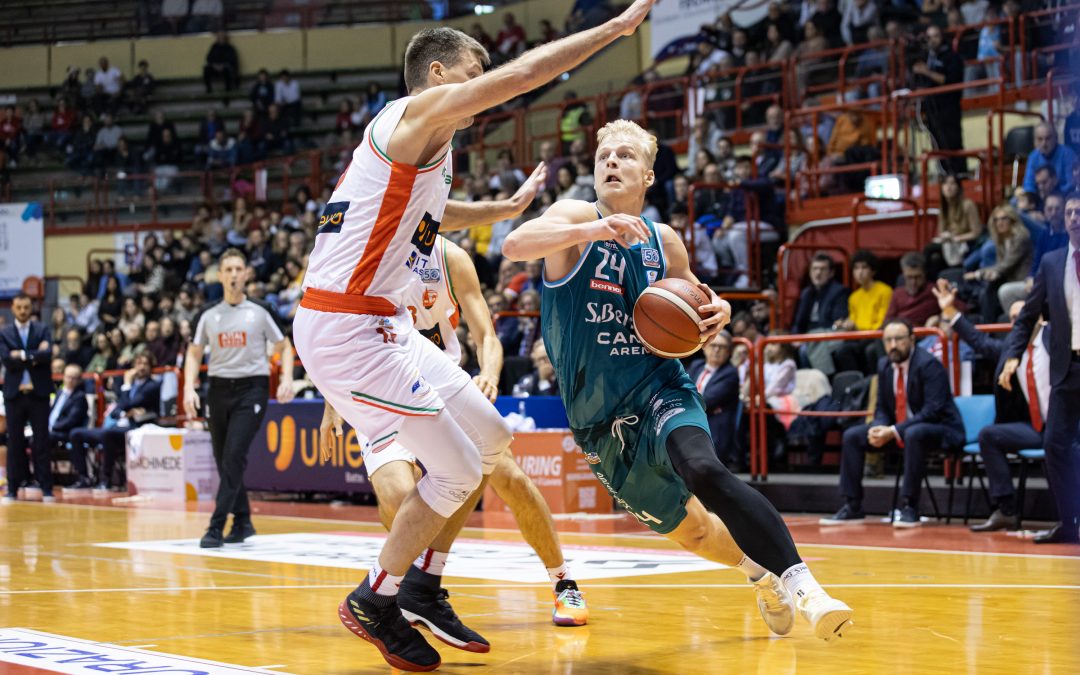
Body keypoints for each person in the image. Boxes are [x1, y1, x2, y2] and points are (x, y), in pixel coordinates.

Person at [291, 8, 664, 668]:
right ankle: (376, 597)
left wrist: (500, 211)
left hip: (383, 322)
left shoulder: (427, 150)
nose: (483, 79)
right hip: (348, 323)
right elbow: (524, 73)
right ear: (437, 76)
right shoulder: (417, 113)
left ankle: (425, 584)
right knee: (457, 467)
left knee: (490, 439)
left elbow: (434, 214)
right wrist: (614, 31)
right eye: (473, 70)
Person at [503, 120, 853, 642]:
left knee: (703, 469)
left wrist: (721, 310)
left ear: (647, 175)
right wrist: (593, 231)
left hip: (660, 386)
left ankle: (807, 589)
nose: (611, 162)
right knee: (690, 528)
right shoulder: (575, 219)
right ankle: (759, 575)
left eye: (624, 156)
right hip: (598, 418)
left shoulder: (663, 242)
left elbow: (699, 302)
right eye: (604, 156)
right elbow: (514, 243)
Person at [320, 234, 590, 648]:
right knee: (398, 496)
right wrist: (331, 401)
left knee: (511, 478)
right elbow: (334, 327)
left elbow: (486, 336)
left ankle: (562, 582)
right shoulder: (370, 246)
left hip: (441, 381)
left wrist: (489, 374)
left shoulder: (450, 257)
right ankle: (409, 588)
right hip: (382, 383)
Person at [183, 249, 295, 548]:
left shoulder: (261, 310)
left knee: (233, 456)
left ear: (246, 274)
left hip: (252, 390)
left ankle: (216, 526)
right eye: (228, 269)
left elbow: (284, 346)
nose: (233, 275)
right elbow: (193, 353)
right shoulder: (207, 314)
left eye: (238, 269)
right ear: (219, 275)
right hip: (218, 390)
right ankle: (243, 521)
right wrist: (188, 388)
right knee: (223, 461)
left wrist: (286, 379)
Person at [822, 318, 965, 527]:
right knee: (853, 436)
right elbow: (882, 407)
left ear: (912, 339)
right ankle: (852, 506)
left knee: (913, 433)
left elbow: (933, 411)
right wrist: (879, 427)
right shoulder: (884, 365)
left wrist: (894, 430)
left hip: (942, 429)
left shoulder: (929, 365)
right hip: (901, 429)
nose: (893, 345)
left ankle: (910, 507)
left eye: (899, 339)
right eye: (888, 340)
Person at [933, 281, 1048, 532]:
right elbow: (978, 340)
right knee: (989, 435)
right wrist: (950, 312)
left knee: (1059, 445)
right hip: (1031, 427)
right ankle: (1006, 510)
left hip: (1062, 425)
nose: (1020, 321)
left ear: (1039, 318)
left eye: (1024, 315)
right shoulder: (1009, 351)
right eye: (1014, 318)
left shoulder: (1056, 347)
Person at [998, 193, 1080, 544]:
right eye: (1069, 212)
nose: (1074, 217)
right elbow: (1028, 315)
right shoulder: (1051, 261)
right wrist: (1013, 354)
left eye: (1079, 211)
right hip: (1068, 367)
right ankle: (1068, 522)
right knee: (1055, 444)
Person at [69, 352, 161, 490]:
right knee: (76, 433)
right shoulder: (127, 385)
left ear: (150, 367)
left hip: (136, 429)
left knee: (108, 435)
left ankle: (105, 480)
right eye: (139, 363)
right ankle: (84, 478)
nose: (141, 367)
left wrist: (127, 386)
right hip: (117, 426)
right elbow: (117, 409)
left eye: (145, 364)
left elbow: (131, 402)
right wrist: (125, 412)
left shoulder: (152, 386)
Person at [1, 295, 54, 504]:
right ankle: (12, 488)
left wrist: (21, 355)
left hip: (38, 394)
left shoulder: (42, 329)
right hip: (14, 395)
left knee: (42, 441)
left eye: (26, 307)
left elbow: (47, 354)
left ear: (31, 308)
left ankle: (46, 488)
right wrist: (33, 356)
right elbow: (6, 359)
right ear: (13, 309)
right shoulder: (4, 333)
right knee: (14, 442)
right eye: (19, 307)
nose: (23, 310)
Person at [913, 25, 965, 175]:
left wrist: (926, 71)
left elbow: (949, 80)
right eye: (929, 37)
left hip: (949, 107)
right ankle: (944, 174)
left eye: (935, 36)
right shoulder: (926, 57)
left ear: (942, 37)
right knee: (937, 144)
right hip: (931, 108)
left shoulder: (952, 57)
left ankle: (959, 175)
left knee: (953, 143)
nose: (932, 40)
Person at [688, 332, 740, 464]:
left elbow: (707, 401)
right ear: (705, 347)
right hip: (692, 421)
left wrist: (683, 403)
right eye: (714, 345)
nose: (716, 350)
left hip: (714, 427)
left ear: (729, 352)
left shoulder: (730, 373)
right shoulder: (696, 365)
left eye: (722, 347)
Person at [48, 364, 90, 485]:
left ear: (79, 380)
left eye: (74, 377)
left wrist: (52, 427)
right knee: (34, 438)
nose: (70, 380)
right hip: (53, 430)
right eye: (68, 377)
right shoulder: (60, 392)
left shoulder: (80, 397)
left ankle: (82, 478)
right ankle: (36, 476)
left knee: (44, 437)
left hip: (66, 432)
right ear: (63, 377)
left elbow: (72, 420)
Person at [1023, 123, 1077, 197]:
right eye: (1040, 139)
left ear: (1056, 138)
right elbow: (1028, 185)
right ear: (1034, 141)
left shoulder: (1068, 154)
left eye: (1048, 138)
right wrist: (1033, 198)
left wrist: (1052, 196)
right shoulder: (1033, 156)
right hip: (1040, 197)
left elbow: (1071, 184)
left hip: (1063, 196)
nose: (1044, 143)